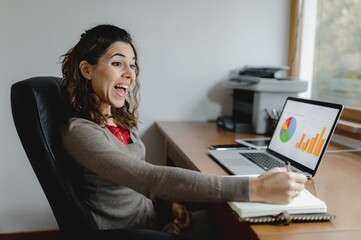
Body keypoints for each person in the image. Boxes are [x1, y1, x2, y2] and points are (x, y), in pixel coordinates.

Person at [60, 24, 307, 239]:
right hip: (135, 233)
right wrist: (255, 188)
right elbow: (149, 178)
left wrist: (170, 205)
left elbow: (136, 183)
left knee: (236, 223)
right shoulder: (81, 133)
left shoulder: (116, 121)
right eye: (117, 63)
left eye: (132, 65)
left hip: (155, 221)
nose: (130, 74)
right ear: (87, 70)